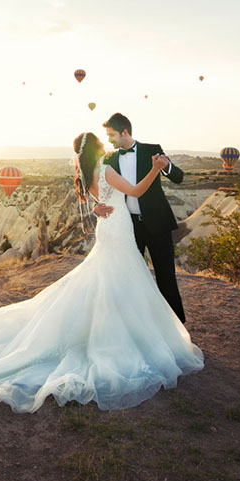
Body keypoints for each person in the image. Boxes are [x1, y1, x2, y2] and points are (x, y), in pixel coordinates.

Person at [0, 131, 203, 413]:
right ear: (98, 150)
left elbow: (98, 201)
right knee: (121, 281)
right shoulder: (106, 168)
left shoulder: (89, 173)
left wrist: (98, 206)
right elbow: (135, 192)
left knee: (108, 281)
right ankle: (127, 339)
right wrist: (155, 168)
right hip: (117, 231)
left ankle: (112, 334)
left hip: (109, 229)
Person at [96, 112, 189, 324]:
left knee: (166, 278)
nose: (108, 140)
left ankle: (176, 327)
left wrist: (166, 167)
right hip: (127, 228)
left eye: (111, 135)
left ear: (125, 132)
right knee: (131, 279)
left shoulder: (152, 150)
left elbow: (179, 177)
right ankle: (137, 327)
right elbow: (103, 190)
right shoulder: (109, 159)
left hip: (158, 224)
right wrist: (96, 207)